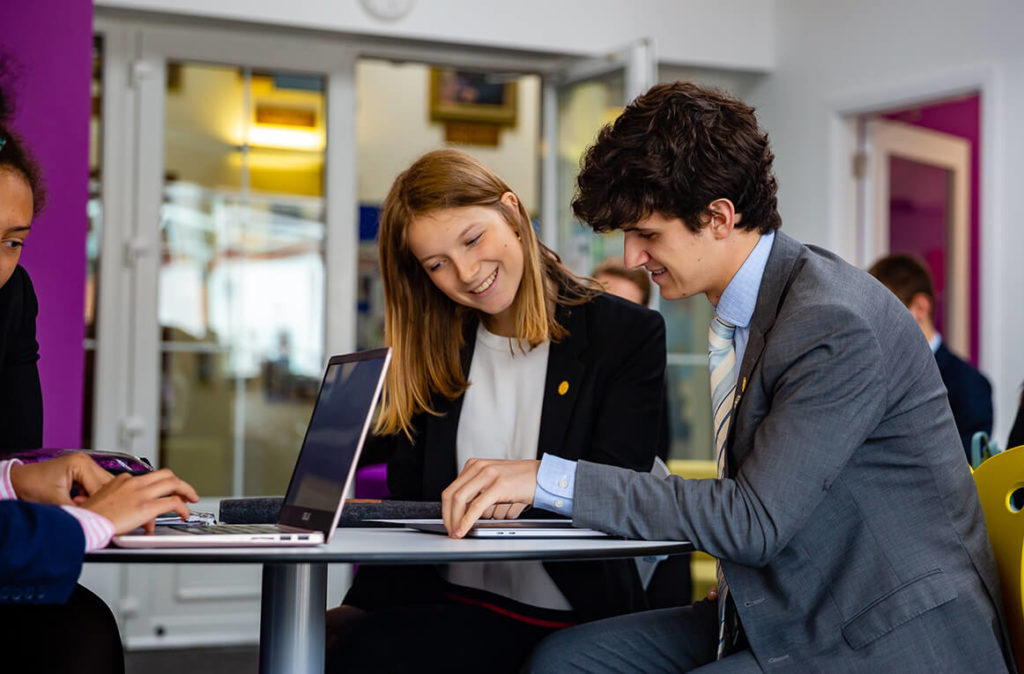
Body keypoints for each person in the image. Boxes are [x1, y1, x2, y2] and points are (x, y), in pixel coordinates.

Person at [440, 82, 1014, 672]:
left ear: (719, 217)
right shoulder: (762, 306)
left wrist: (546, 479)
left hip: (884, 634)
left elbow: (754, 521)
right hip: (787, 603)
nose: (634, 257)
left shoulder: (831, 324)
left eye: (648, 234)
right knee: (566, 659)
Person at [326, 149, 668, 673]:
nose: (466, 273)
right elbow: (412, 505)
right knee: (329, 642)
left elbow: (619, 488)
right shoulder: (437, 348)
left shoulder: (623, 336)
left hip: (573, 616)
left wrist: (534, 480)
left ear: (511, 212)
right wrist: (359, 606)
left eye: (472, 239)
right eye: (437, 264)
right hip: (449, 607)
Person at [0, 84, 200, 674]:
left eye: (12, 242)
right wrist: (93, 521)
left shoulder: (11, 297)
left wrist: (19, 480)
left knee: (78, 626)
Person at [868, 253, 993, 459]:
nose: (873, 325)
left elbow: (962, 469)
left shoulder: (970, 385)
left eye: (883, 313)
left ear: (920, 308)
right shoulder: (871, 375)